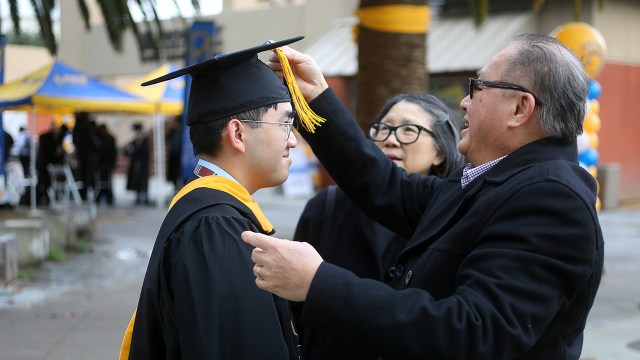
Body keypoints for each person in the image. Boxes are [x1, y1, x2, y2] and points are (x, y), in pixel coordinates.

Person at [241, 33, 604, 359]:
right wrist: (317, 97)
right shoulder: (493, 180)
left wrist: (317, 282)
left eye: (478, 87)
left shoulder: (551, 199)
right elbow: (384, 187)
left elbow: (474, 332)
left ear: (520, 108)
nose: (463, 103)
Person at [119, 36, 310, 360]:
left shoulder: (210, 213)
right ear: (237, 134)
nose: (292, 141)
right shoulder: (216, 229)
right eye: (284, 123)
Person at [292, 93, 463, 358]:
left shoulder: (454, 217)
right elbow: (294, 309)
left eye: (409, 130)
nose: (390, 138)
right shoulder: (326, 206)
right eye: (383, 128)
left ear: (440, 152)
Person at [125, 123, 150, 205]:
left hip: (143, 165)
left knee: (143, 181)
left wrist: (135, 150)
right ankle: (138, 196)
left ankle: (145, 197)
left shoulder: (144, 140)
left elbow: (144, 152)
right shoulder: (135, 141)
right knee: (137, 181)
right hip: (136, 164)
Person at [95, 123, 117, 205]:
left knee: (108, 181)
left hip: (108, 163)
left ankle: (109, 197)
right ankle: (102, 195)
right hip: (102, 163)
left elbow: (111, 152)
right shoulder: (100, 138)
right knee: (101, 180)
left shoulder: (110, 139)